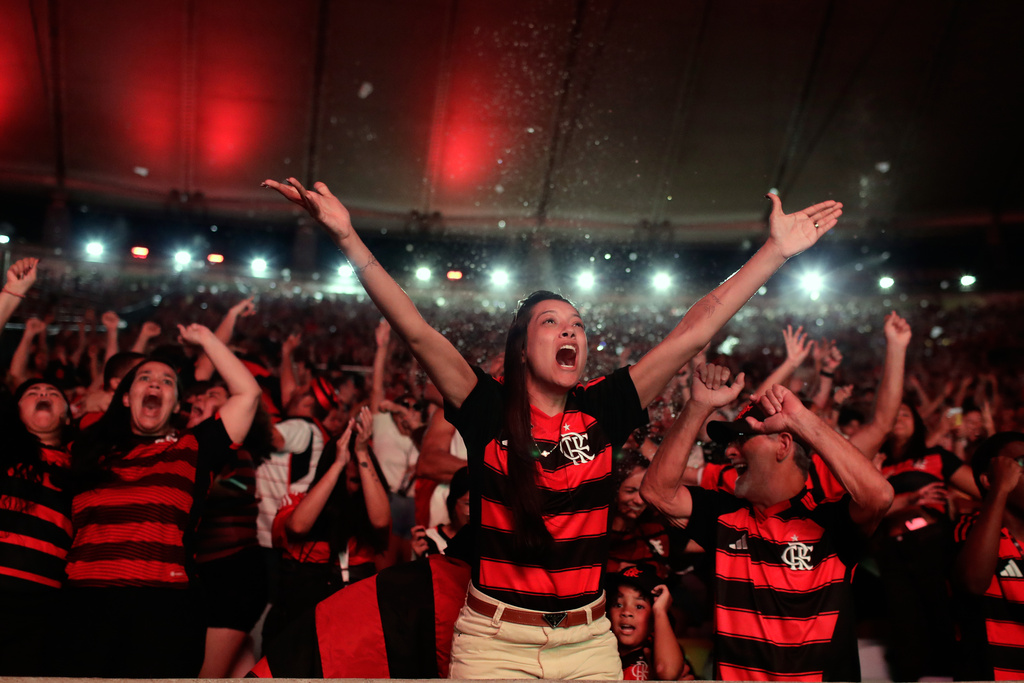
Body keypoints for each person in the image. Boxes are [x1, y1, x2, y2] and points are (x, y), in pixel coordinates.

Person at [264, 174, 841, 679]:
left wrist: (775, 252)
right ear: (520, 349)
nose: (571, 331)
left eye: (577, 323)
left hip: (587, 642)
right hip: (494, 644)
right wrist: (345, 236)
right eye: (551, 322)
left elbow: (694, 329)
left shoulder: (605, 408)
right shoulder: (487, 408)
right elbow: (414, 328)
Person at [641, 363, 893, 680]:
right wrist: (697, 407)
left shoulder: (829, 519)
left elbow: (879, 496)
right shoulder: (724, 515)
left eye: (742, 438)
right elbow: (656, 491)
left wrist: (801, 419)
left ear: (783, 444)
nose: (730, 451)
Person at [62, 323, 261, 677]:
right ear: (124, 397)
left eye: (167, 381)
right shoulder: (89, 446)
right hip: (85, 602)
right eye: (144, 377)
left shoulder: (191, 448)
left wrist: (205, 339)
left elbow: (247, 395)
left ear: (176, 405)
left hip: (163, 606)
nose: (155, 383)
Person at [262, 406, 391, 649]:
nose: (351, 473)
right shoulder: (299, 499)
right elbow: (298, 527)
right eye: (346, 472)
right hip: (295, 627)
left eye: (356, 475)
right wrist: (337, 464)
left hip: (347, 631)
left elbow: (381, 522)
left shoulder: (372, 510)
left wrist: (362, 452)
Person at [952, 431, 1024, 681]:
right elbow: (972, 581)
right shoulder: (970, 529)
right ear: (988, 480)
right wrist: (1000, 490)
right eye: (1020, 465)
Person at [607, 564, 692, 681]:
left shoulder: (661, 652)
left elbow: (667, 672)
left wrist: (660, 611)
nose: (626, 612)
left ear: (654, 620)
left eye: (639, 606)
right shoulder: (601, 651)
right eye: (618, 604)